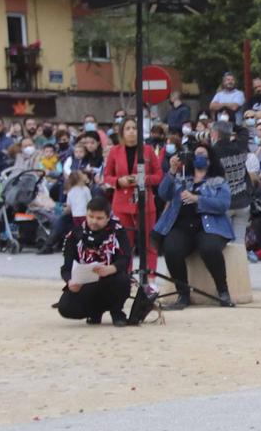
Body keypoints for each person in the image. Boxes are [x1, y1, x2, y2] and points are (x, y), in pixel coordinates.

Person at [155, 150, 234, 307]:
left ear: (210, 159)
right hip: (182, 226)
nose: (198, 157)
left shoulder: (218, 181)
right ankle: (183, 294)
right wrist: (171, 171)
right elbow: (163, 194)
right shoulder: (182, 177)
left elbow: (223, 204)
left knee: (209, 248)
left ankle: (223, 291)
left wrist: (197, 199)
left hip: (208, 227)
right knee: (171, 249)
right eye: (195, 154)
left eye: (203, 154)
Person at [101, 118, 164, 302]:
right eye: (127, 128)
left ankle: (151, 280)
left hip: (145, 202)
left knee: (149, 242)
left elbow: (159, 175)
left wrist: (143, 179)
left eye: (134, 128)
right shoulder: (115, 151)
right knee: (124, 244)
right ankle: (125, 278)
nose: (131, 131)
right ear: (122, 132)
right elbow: (107, 176)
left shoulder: (147, 150)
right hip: (122, 202)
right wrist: (118, 181)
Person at [55, 196, 140, 326]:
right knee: (65, 307)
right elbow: (66, 267)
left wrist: (110, 269)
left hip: (110, 279)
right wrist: (70, 281)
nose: (94, 221)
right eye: (91, 217)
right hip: (85, 283)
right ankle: (94, 312)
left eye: (99, 218)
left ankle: (117, 312)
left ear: (107, 217)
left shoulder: (118, 232)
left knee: (122, 279)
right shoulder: (75, 234)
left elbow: (125, 259)